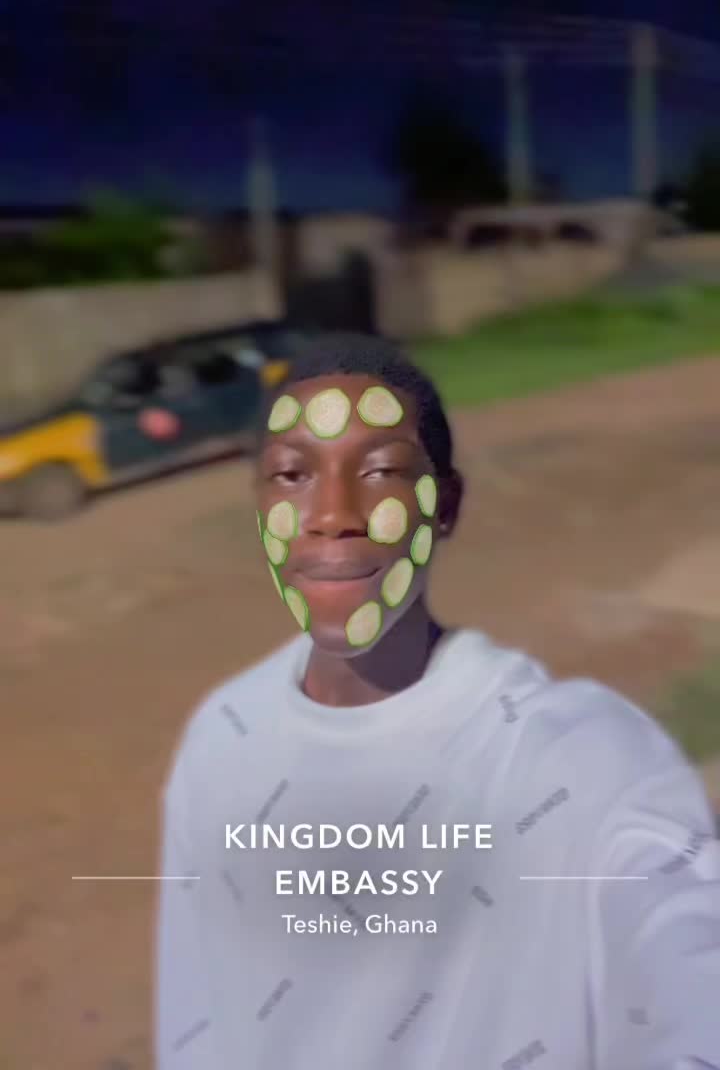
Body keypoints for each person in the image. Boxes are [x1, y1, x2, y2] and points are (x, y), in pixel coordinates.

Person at [156, 332, 720, 1070]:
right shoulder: (221, 738)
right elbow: (198, 1020)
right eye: (292, 475)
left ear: (445, 504)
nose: (332, 514)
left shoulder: (582, 759)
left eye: (381, 471)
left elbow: (689, 989)